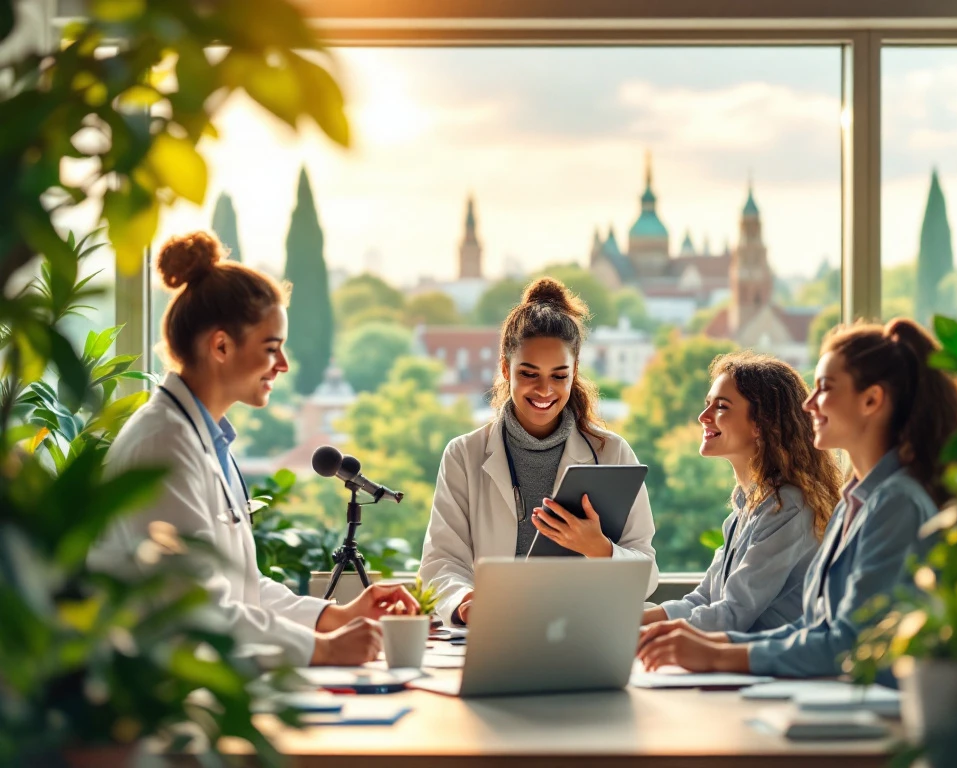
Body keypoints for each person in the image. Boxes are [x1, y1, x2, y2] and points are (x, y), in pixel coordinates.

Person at [88, 232, 417, 668]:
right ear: (221, 346)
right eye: (271, 349)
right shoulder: (163, 446)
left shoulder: (203, 438)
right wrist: (322, 649)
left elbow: (242, 588)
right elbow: (196, 609)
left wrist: (335, 617)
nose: (282, 365)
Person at [637, 318, 957, 677]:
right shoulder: (855, 502)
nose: (809, 405)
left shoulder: (896, 503)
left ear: (871, 400)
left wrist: (717, 655)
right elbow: (813, 629)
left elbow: (847, 643)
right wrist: (706, 646)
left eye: (825, 388)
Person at [419, 277, 659, 626]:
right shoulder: (463, 455)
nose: (545, 390)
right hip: (497, 627)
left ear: (575, 371)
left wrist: (599, 548)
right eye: (529, 374)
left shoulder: (613, 453)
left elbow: (647, 572)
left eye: (559, 376)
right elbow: (441, 561)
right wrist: (465, 601)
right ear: (505, 369)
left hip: (585, 629)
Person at [641, 352, 842, 632]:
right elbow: (703, 598)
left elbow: (732, 615)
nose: (703, 417)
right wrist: (632, 621)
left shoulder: (787, 507)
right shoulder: (748, 505)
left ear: (761, 424)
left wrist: (637, 632)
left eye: (721, 407)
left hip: (773, 668)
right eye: (707, 404)